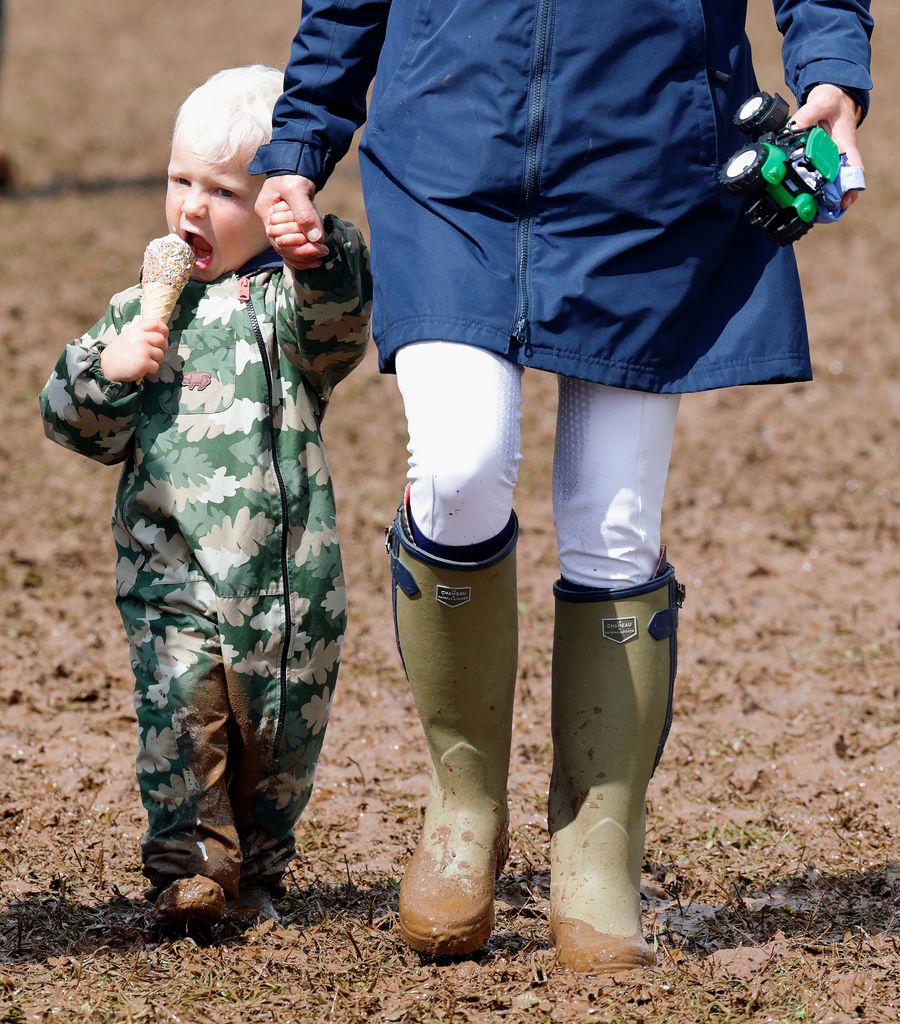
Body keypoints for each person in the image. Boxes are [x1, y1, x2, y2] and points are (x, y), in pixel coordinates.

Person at [252, 2, 873, 971]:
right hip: (449, 164)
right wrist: (302, 139)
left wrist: (833, 73)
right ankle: (464, 806)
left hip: (657, 170)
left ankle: (599, 840)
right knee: (458, 471)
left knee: (614, 525)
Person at [39, 65, 372, 929]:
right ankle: (187, 867)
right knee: (179, 713)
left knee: (278, 732)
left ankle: (257, 867)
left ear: (270, 206)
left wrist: (318, 252)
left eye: (223, 190)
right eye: (180, 179)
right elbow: (74, 425)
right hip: (169, 571)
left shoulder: (282, 306)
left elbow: (342, 324)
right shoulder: (136, 310)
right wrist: (104, 375)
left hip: (284, 584)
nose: (192, 205)